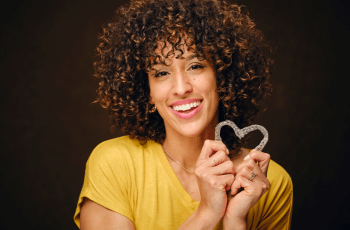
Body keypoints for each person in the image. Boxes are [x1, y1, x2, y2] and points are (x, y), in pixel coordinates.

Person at [74, 0, 293, 229]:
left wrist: (235, 221)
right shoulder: (115, 164)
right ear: (147, 91)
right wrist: (207, 213)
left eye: (195, 66)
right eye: (161, 73)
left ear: (222, 75)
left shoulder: (268, 182)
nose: (181, 88)